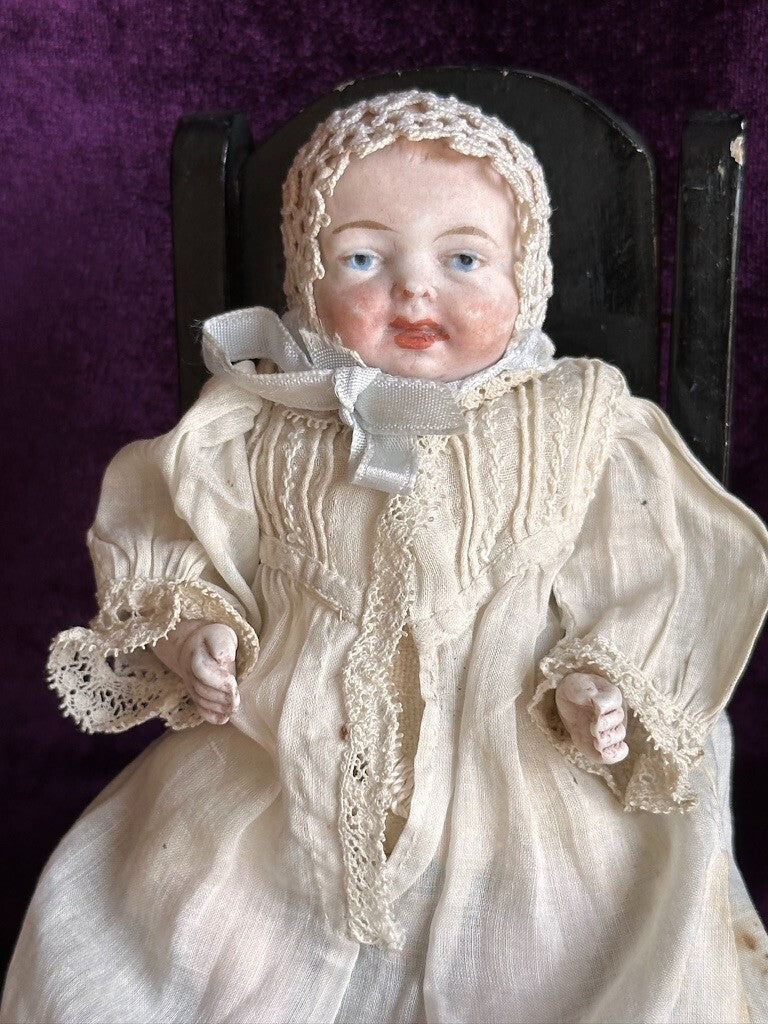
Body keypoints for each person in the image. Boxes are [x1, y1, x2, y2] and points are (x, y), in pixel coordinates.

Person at [3, 88, 767, 1024]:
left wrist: (600, 678)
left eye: (464, 259)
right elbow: (173, 530)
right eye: (362, 258)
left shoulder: (576, 419)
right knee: (194, 930)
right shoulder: (258, 417)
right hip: (288, 770)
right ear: (306, 278)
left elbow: (655, 564)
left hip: (517, 768)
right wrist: (197, 627)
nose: (414, 290)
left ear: (526, 275)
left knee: (576, 938)